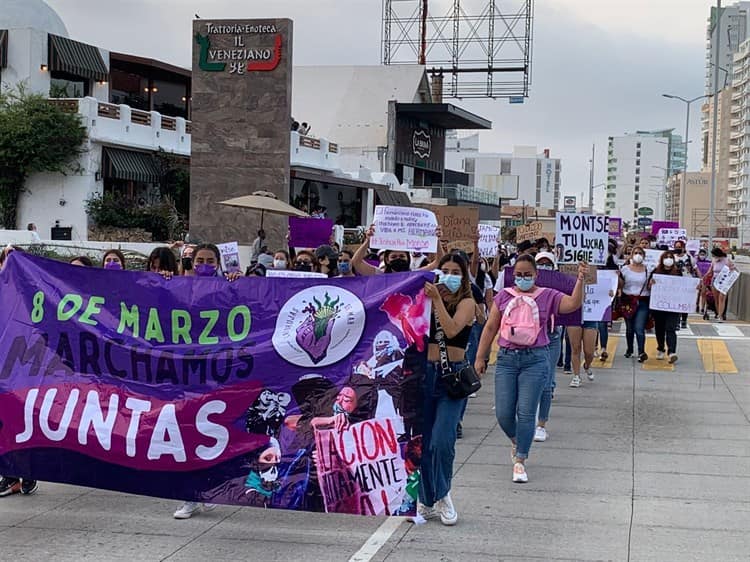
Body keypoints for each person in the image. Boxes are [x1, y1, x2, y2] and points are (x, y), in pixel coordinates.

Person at [475, 256, 586, 483]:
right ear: (513, 275)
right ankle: (518, 440)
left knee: (526, 412)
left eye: (527, 274)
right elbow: (489, 328)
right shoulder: (503, 296)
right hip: (506, 359)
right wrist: (480, 357)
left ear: (536, 274)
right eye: (519, 274)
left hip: (535, 359)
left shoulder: (548, 295)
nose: (523, 278)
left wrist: (581, 281)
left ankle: (520, 460)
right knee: (504, 413)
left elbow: (572, 303)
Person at [417, 254, 475, 526]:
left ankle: (444, 494)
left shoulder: (467, 303)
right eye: (445, 270)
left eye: (455, 271)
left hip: (452, 376)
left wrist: (437, 300)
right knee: (426, 442)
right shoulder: (424, 298)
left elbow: (452, 330)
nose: (449, 275)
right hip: (426, 375)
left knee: (443, 440)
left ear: (463, 276)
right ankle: (426, 498)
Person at [533, 251, 564, 443]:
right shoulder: (523, 287)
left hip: (551, 336)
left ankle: (541, 424)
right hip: (528, 338)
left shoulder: (558, 288)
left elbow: (572, 303)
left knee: (546, 381)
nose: (543, 267)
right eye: (540, 264)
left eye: (547, 264)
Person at [351, 225, 442, 276]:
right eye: (394, 257)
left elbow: (438, 262)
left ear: (408, 258)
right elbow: (356, 262)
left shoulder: (414, 275)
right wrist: (368, 240)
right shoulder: (379, 275)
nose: (398, 259)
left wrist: (437, 240)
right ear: (387, 259)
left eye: (402, 256)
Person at [619, 247, 650, 362]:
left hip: (642, 301)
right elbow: (620, 285)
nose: (638, 255)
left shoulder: (648, 269)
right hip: (627, 301)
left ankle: (641, 351)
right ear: (631, 255)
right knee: (630, 328)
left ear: (644, 255)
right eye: (635, 253)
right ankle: (629, 349)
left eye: (640, 253)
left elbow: (651, 286)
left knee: (639, 328)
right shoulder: (625, 269)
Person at [649, 251, 681, 363]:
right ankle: (661, 348)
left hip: (673, 307)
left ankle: (672, 351)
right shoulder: (655, 272)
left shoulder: (678, 272)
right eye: (666, 257)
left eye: (670, 257)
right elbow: (648, 287)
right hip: (659, 306)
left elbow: (685, 286)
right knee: (660, 328)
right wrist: (651, 283)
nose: (668, 259)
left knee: (670, 328)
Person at [672, 240, 695, 329]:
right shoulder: (672, 257)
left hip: (687, 282)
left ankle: (684, 320)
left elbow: (695, 269)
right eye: (676, 247)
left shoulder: (689, 257)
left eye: (679, 247)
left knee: (685, 302)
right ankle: (677, 321)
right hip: (675, 282)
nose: (677, 249)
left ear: (683, 248)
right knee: (677, 302)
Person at [708, 247, 734, 322]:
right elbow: (710, 270)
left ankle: (720, 316)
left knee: (722, 298)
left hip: (724, 280)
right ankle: (718, 313)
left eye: (714, 255)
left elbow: (732, 268)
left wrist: (732, 268)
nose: (714, 257)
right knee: (716, 299)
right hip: (715, 280)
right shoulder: (714, 261)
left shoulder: (726, 260)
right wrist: (705, 277)